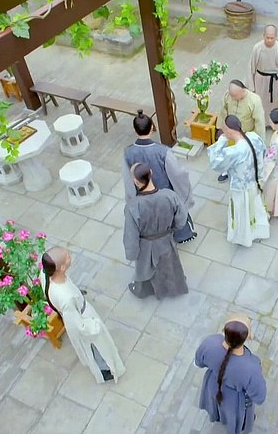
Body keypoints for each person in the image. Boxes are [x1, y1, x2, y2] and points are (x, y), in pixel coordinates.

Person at [41, 247, 126, 383]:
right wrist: (95, 326)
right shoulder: (67, 298)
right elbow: (78, 326)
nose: (69, 256)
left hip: (78, 310)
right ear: (62, 268)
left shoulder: (45, 274)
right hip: (83, 317)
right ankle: (105, 369)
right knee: (97, 346)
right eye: (67, 257)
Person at [122, 109, 197, 244]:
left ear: (135, 130)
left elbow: (128, 180)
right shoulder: (163, 151)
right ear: (152, 128)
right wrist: (185, 196)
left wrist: (131, 200)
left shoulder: (128, 153)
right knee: (174, 215)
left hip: (143, 196)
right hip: (165, 193)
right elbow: (178, 174)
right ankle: (181, 236)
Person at [123, 162, 189, 299]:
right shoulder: (170, 196)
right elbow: (182, 218)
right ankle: (173, 288)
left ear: (136, 181)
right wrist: (171, 230)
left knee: (146, 269)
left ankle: (146, 291)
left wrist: (132, 253)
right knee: (170, 265)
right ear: (151, 173)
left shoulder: (133, 206)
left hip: (145, 246)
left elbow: (130, 235)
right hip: (166, 241)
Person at [196, 314, 267, 434]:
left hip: (213, 386)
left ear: (223, 330)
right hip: (235, 401)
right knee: (234, 414)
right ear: (249, 336)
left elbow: (198, 362)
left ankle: (217, 416)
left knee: (217, 404)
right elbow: (259, 397)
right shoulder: (252, 368)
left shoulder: (210, 342)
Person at [207, 115, 270, 247]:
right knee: (254, 209)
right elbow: (263, 152)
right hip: (254, 183)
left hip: (240, 188)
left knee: (241, 213)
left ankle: (243, 237)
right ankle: (258, 231)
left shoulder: (235, 151)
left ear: (229, 131)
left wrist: (221, 141)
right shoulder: (254, 137)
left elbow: (216, 163)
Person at [217, 80, 266, 183]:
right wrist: (221, 128)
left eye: (235, 96)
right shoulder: (227, 96)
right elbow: (222, 112)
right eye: (232, 96)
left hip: (246, 134)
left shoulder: (254, 100)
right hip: (230, 132)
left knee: (245, 158)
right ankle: (226, 171)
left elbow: (259, 122)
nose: (233, 98)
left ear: (243, 90)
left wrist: (259, 140)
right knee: (227, 153)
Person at [248, 24, 278, 127]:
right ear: (263, 35)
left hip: (273, 81)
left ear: (276, 36)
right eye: (267, 37)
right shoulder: (257, 48)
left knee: (273, 104)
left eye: (272, 38)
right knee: (259, 103)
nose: (269, 40)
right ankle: (259, 122)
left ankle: (271, 123)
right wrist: (252, 86)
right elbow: (251, 67)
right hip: (260, 79)